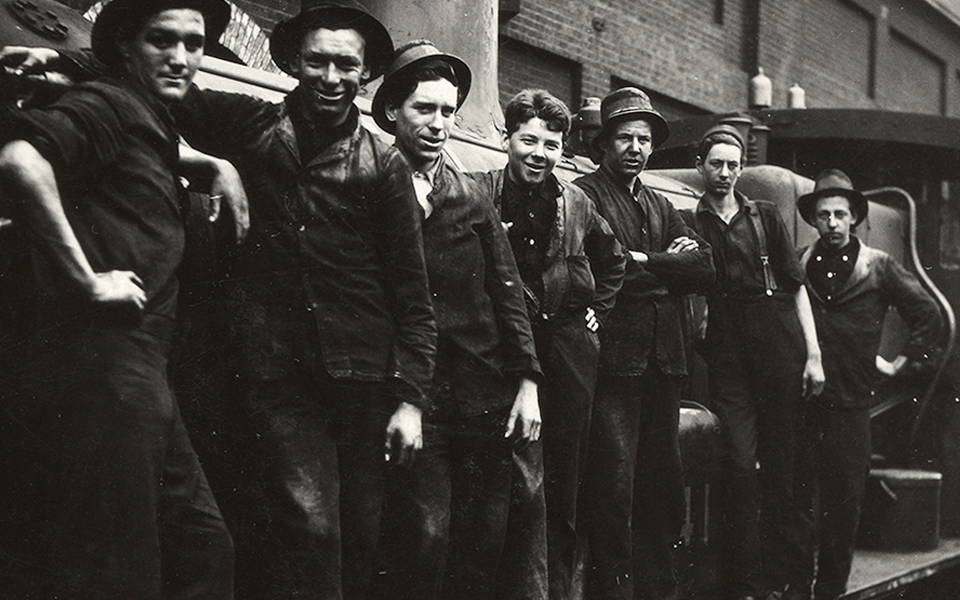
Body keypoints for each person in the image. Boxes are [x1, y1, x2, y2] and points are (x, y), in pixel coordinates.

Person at [0, 0, 243, 597]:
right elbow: (21, 160)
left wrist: (217, 164)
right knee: (118, 571)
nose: (181, 57)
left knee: (203, 546)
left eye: (194, 43)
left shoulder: (146, 114)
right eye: (162, 40)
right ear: (126, 47)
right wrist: (87, 280)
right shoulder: (109, 102)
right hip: (105, 365)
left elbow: (155, 144)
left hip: (145, 369)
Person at [369, 40, 542, 600]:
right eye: (425, 109)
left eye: (448, 111)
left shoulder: (470, 194)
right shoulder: (370, 184)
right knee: (423, 538)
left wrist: (527, 382)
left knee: (482, 542)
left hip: (483, 395)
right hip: (415, 396)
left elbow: (508, 291)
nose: (439, 124)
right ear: (392, 110)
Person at [470, 88, 626, 600]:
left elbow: (613, 259)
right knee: (503, 482)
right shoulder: (480, 192)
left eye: (551, 145)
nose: (539, 154)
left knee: (562, 482)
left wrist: (597, 312)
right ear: (507, 139)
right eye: (529, 140)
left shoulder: (576, 202)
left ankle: (555, 591)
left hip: (566, 353)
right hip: (500, 350)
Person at [573, 87, 715, 600]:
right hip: (615, 365)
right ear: (604, 142)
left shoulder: (659, 202)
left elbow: (704, 266)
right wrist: (664, 266)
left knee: (663, 490)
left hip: (664, 362)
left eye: (644, 139)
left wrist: (644, 260)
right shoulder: (585, 195)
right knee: (613, 490)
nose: (635, 148)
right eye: (625, 138)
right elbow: (604, 269)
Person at [786, 170, 942, 600]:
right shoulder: (798, 262)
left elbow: (928, 316)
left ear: (854, 216)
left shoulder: (878, 265)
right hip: (803, 403)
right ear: (813, 219)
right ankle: (797, 588)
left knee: (842, 506)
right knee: (797, 501)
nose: (832, 223)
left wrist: (898, 366)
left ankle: (830, 590)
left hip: (852, 405)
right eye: (824, 215)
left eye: (840, 214)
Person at [686, 124, 825, 600]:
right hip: (729, 357)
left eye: (733, 165)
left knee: (782, 472)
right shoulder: (691, 222)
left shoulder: (764, 215)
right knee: (741, 465)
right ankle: (745, 583)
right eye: (716, 164)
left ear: (741, 169)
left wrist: (813, 354)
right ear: (701, 167)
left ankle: (781, 580)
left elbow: (796, 287)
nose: (724, 173)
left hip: (779, 349)